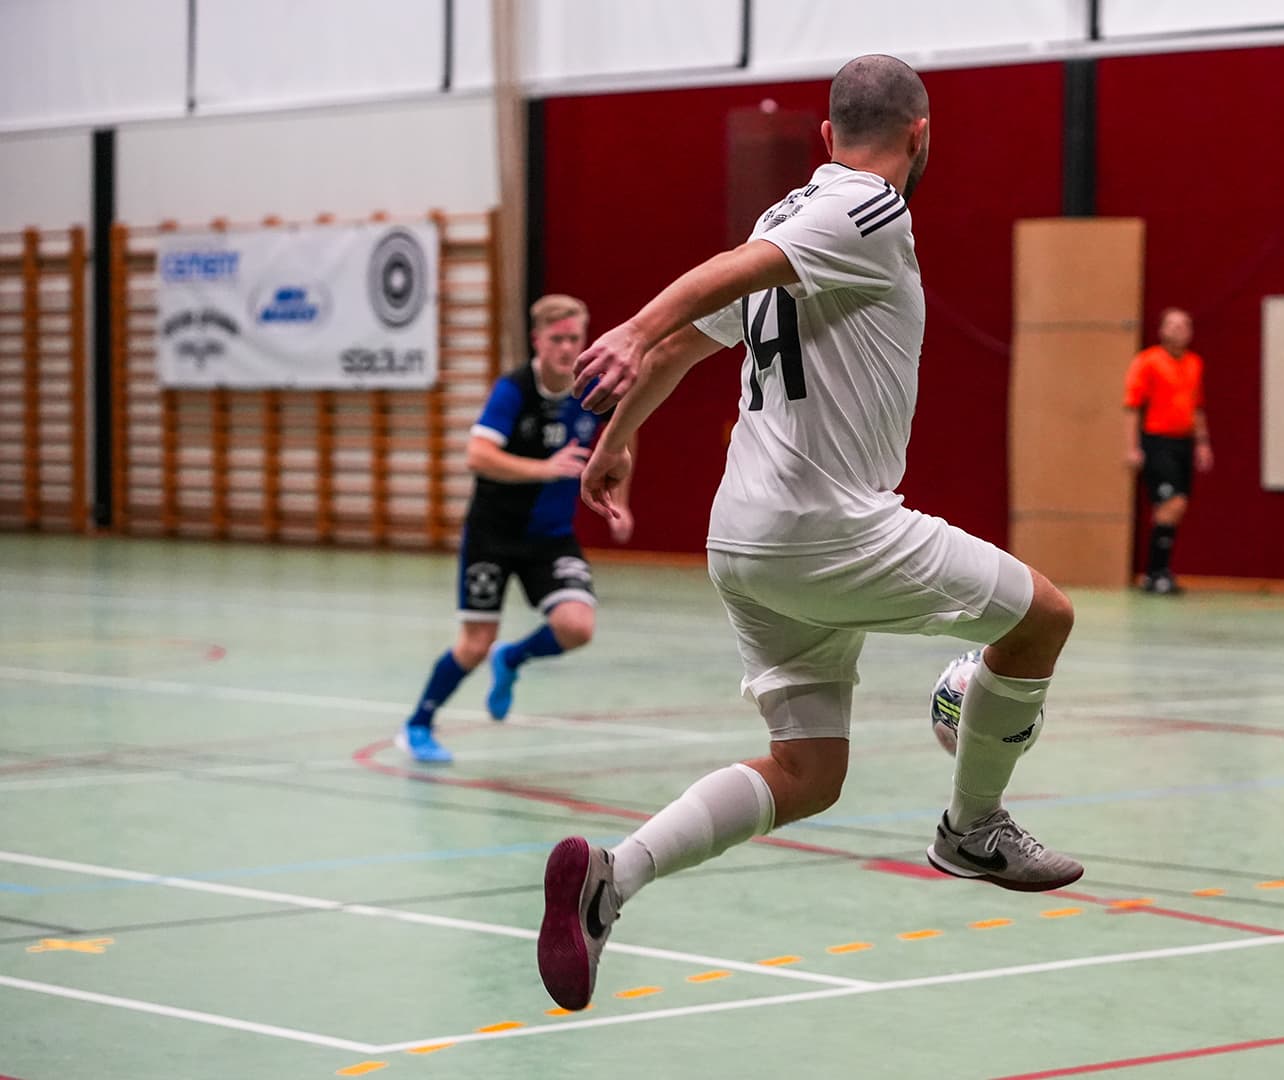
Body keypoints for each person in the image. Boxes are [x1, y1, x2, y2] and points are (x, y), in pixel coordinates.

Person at [533, 55, 1083, 1012]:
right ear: (921, 134)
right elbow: (704, 298)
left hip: (744, 541)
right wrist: (632, 324)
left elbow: (694, 342)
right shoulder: (869, 213)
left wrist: (615, 440)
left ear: (825, 137)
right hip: (827, 530)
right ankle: (973, 823)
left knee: (808, 770)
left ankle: (610, 880)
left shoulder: (788, 217)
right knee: (1040, 621)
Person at [394, 295, 634, 763]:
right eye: (558, 339)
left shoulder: (593, 389)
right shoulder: (515, 390)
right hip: (493, 535)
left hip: (550, 536)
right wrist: (545, 469)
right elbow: (477, 456)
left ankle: (515, 659)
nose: (568, 348)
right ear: (537, 340)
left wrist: (620, 495)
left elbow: (626, 429)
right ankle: (417, 724)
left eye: (574, 338)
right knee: (475, 644)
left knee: (577, 625)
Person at [1124, 307, 1212, 594]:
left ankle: (1160, 572)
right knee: (1170, 504)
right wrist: (1132, 447)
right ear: (1161, 330)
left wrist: (1202, 443)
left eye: (1184, 325)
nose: (1178, 330)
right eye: (1172, 325)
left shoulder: (1194, 363)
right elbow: (1132, 406)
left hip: (1183, 442)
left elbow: (1197, 407)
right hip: (1156, 440)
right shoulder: (1148, 362)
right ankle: (1154, 573)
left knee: (1177, 506)